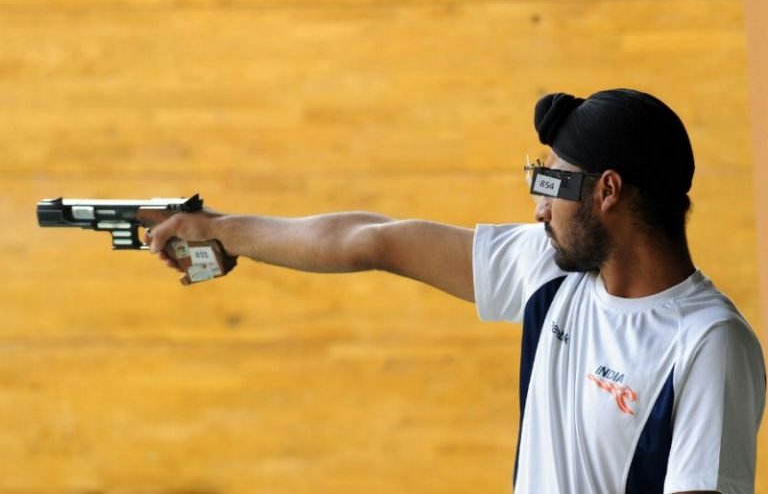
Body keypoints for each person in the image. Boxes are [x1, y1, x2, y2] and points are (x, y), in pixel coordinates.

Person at [146, 88, 766, 494]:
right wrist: (225, 233)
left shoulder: (708, 343)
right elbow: (372, 240)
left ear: (607, 191)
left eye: (551, 181)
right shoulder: (552, 271)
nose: (538, 209)